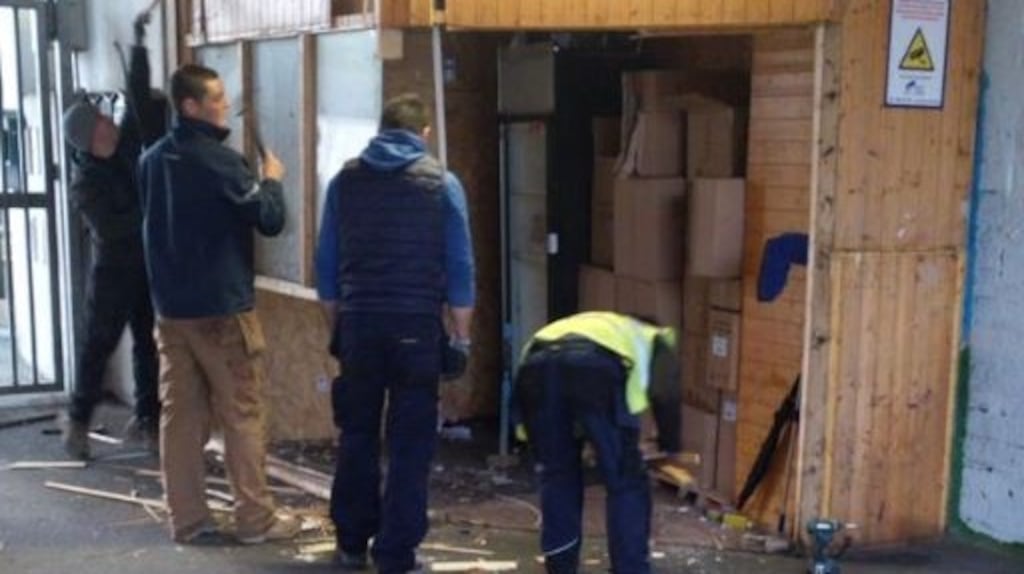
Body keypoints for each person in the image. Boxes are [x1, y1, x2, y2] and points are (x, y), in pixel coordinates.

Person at [137, 62, 298, 545]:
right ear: (191, 106)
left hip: (171, 310)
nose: (225, 105)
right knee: (241, 413)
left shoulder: (151, 160)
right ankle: (255, 519)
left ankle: (188, 520)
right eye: (217, 99)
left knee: (180, 417)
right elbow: (269, 219)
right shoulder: (220, 162)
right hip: (222, 310)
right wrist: (272, 179)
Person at [315, 93, 475, 573]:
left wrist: (339, 327)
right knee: (410, 445)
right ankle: (396, 553)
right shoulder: (442, 184)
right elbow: (460, 269)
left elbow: (326, 268)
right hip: (416, 331)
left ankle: (350, 543)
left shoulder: (344, 182)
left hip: (360, 325)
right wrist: (461, 339)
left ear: (380, 131)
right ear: (424, 134)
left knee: (357, 434)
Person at [59, 13, 167, 460]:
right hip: (113, 272)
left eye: (107, 119)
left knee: (147, 343)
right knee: (98, 345)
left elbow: (137, 96)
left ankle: (148, 420)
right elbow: (112, 228)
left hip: (144, 265)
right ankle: (78, 421)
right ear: (89, 140)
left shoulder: (124, 144)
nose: (110, 124)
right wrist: (151, 215)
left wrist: (139, 45)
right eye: (102, 125)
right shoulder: (86, 182)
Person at [514, 311, 684, 574]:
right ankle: (630, 568)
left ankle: (560, 567)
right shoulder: (652, 337)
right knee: (626, 480)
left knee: (558, 476)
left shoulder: (584, 326)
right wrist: (669, 443)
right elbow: (666, 392)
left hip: (536, 368)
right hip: (594, 371)